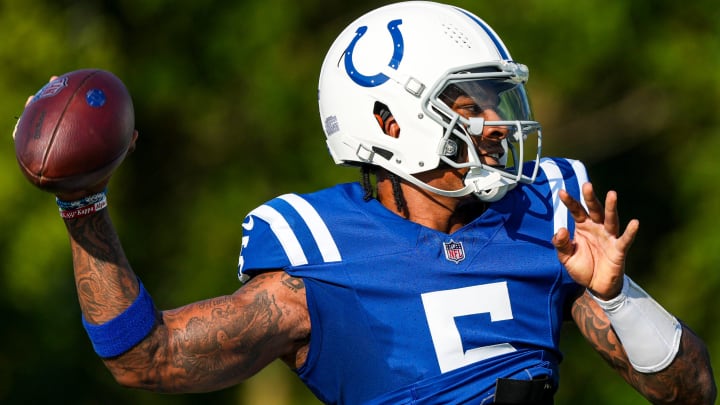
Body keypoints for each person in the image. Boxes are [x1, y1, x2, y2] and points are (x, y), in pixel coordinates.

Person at [23, 1, 715, 404]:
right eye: (472, 105)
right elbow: (147, 357)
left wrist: (620, 297)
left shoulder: (544, 218)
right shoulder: (318, 258)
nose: (499, 126)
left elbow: (691, 392)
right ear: (390, 123)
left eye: (501, 102)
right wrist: (86, 208)